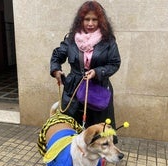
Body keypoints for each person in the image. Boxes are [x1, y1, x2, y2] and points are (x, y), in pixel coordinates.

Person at [50, 1, 121, 143]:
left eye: (94, 19)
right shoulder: (71, 39)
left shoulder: (108, 41)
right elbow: (57, 56)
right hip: (73, 89)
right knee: (72, 124)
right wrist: (56, 69)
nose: (90, 23)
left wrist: (97, 71)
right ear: (80, 20)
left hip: (98, 88)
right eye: (87, 19)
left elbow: (114, 63)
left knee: (97, 126)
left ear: (101, 21)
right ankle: (72, 152)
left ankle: (99, 156)